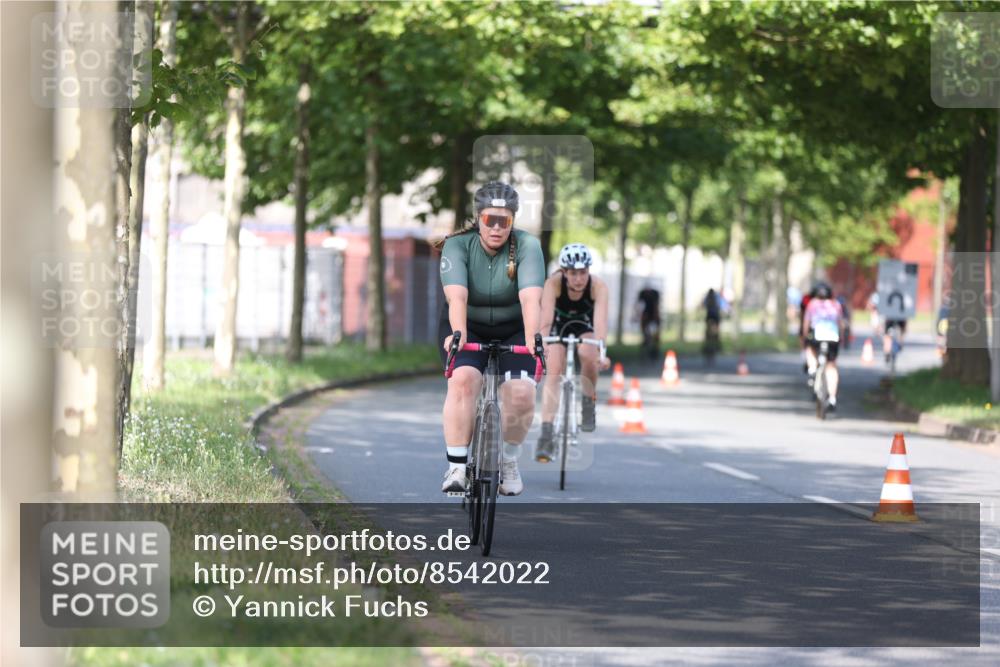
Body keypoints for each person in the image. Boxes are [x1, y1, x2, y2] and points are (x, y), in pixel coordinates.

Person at [436, 182, 545, 496]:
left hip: (515, 327)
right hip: (466, 325)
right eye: (489, 220)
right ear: (478, 218)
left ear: (512, 222)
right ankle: (456, 467)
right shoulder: (458, 245)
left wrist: (532, 340)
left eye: (504, 221)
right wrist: (458, 336)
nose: (497, 228)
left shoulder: (527, 246)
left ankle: (509, 461)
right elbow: (457, 299)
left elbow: (530, 299)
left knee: (522, 394)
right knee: (464, 381)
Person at [535, 243, 610, 463]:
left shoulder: (598, 286)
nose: (579, 278)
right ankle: (547, 434)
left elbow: (600, 324)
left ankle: (588, 400)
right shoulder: (553, 284)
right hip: (558, 325)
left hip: (583, 325)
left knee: (589, 354)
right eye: (574, 273)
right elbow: (546, 319)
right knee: (554, 372)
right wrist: (542, 345)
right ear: (564, 272)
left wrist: (601, 351)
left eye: (583, 272)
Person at [802, 282, 845, 412]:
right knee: (831, 366)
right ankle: (832, 398)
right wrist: (841, 338)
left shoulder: (813, 304)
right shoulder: (836, 305)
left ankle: (812, 369)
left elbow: (806, 323)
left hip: (817, 335)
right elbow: (840, 324)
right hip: (833, 337)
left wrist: (805, 337)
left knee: (810, 349)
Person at [635, 283, 661, 358]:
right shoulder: (642, 294)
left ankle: (654, 349)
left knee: (656, 335)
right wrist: (637, 315)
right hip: (646, 314)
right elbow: (639, 305)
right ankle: (646, 343)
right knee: (646, 334)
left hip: (653, 315)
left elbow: (656, 306)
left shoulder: (655, 294)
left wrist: (656, 317)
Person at [702, 288, 722, 364]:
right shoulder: (716, 297)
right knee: (715, 335)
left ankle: (709, 348)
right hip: (715, 318)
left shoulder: (707, 298)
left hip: (709, 317)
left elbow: (703, 305)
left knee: (708, 336)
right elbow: (720, 305)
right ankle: (715, 347)